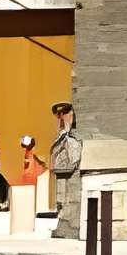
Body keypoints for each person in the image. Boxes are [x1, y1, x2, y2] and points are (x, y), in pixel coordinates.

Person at [47, 102, 81, 240]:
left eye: (65, 113)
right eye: (58, 115)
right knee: (60, 201)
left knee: (68, 201)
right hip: (60, 172)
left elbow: (73, 156)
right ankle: (62, 224)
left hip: (69, 171)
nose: (61, 118)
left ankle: (67, 227)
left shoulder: (72, 138)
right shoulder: (61, 135)